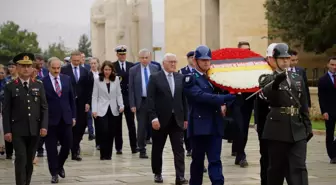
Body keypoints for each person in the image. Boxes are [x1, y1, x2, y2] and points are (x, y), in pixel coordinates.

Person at [259, 43, 313, 185]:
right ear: (274, 60)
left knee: (299, 167)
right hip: (277, 129)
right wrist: (276, 81)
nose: (285, 61)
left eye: (287, 58)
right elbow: (267, 93)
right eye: (281, 58)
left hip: (297, 128)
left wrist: (307, 126)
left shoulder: (297, 78)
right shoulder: (267, 78)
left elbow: (303, 103)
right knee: (276, 169)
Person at [183, 45, 236, 185]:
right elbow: (200, 96)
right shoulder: (190, 78)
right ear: (195, 61)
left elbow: (225, 91)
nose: (206, 62)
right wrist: (224, 99)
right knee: (198, 160)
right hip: (200, 126)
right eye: (203, 60)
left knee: (215, 159)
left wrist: (232, 94)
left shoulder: (214, 77)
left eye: (208, 60)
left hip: (215, 123)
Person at [2, 53, 48, 185]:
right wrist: (7, 130)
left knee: (29, 159)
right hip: (17, 130)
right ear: (17, 67)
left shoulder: (38, 85)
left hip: (34, 129)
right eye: (23, 66)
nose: (26, 69)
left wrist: (44, 126)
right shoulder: (10, 86)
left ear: (32, 67)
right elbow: (6, 111)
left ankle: (26, 182)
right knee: (21, 158)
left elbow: (44, 107)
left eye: (28, 66)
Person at [147, 53, 188, 184]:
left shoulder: (180, 77)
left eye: (175, 62)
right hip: (160, 120)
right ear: (164, 63)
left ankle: (180, 176)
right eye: (170, 62)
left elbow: (184, 100)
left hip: (177, 120)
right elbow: (150, 99)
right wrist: (153, 118)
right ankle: (157, 173)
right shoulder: (155, 78)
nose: (173, 64)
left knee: (179, 149)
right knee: (158, 148)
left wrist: (186, 118)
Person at [42, 57, 76, 183]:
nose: (56, 71)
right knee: (51, 149)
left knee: (68, 145)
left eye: (58, 68)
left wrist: (73, 116)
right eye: (54, 68)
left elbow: (71, 99)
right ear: (48, 68)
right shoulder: (43, 82)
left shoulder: (66, 79)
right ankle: (54, 173)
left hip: (66, 118)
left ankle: (59, 165)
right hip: (50, 120)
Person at [61, 51, 93, 161]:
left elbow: (89, 88)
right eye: (74, 61)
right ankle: (74, 149)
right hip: (68, 102)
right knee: (70, 126)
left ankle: (75, 145)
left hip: (81, 103)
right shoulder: (64, 70)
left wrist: (88, 102)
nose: (76, 63)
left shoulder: (85, 71)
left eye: (78, 61)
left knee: (81, 125)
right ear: (71, 60)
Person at [129, 49, 160, 159]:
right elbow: (131, 89)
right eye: (142, 58)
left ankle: (157, 148)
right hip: (141, 102)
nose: (144, 60)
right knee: (141, 127)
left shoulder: (155, 69)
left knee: (155, 125)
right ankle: (142, 149)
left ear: (150, 58)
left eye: (146, 57)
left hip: (153, 102)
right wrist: (132, 104)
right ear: (139, 58)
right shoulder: (133, 70)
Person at [253, 43, 277, 185]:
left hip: (283, 123)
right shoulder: (262, 74)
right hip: (265, 121)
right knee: (266, 156)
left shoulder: (290, 73)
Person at [92, 61, 124, 160]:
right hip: (102, 108)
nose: (107, 72)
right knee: (103, 131)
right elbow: (94, 96)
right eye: (105, 69)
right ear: (102, 70)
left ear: (112, 70)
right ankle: (103, 154)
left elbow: (119, 94)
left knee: (111, 132)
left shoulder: (116, 80)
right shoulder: (98, 80)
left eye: (109, 69)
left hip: (113, 109)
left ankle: (108, 155)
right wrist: (94, 110)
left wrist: (121, 105)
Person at [113, 45, 138, 154]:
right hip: (117, 99)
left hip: (128, 99)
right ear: (117, 55)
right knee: (117, 125)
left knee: (131, 124)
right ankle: (119, 147)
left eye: (124, 54)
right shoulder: (113, 66)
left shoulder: (131, 66)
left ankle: (134, 146)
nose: (122, 56)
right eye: (120, 54)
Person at [317, 56, 336, 164]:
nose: (334, 67)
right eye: (332, 65)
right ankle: (332, 155)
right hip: (329, 112)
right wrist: (324, 111)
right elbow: (321, 97)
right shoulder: (322, 80)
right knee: (329, 133)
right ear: (328, 65)